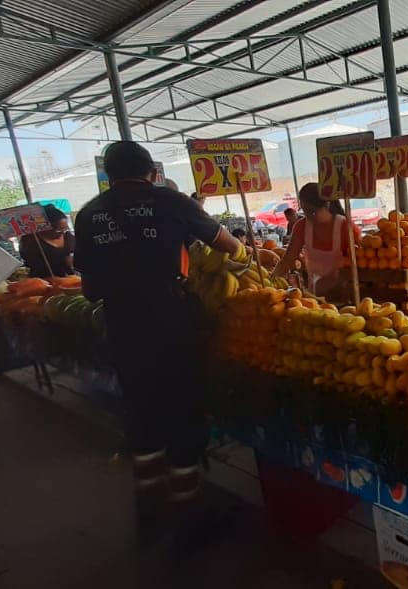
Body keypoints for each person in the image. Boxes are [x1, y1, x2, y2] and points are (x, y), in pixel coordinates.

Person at [74, 141, 242, 537]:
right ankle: (189, 517)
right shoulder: (170, 201)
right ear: (152, 173)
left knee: (142, 413)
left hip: (120, 324)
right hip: (169, 322)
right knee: (183, 411)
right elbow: (228, 244)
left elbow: (88, 290)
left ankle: (148, 510)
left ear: (108, 177)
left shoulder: (88, 214)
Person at [272, 183, 361, 302]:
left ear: (327, 205)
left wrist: (338, 281)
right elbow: (288, 259)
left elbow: (360, 263)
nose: (308, 216)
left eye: (312, 212)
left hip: (345, 295)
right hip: (315, 296)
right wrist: (272, 278)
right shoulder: (302, 226)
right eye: (305, 212)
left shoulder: (346, 228)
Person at [18, 204, 76, 279]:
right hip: (44, 281)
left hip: (70, 278)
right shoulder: (31, 241)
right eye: (58, 230)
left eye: (65, 229)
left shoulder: (68, 237)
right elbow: (34, 266)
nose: (62, 232)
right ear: (45, 227)